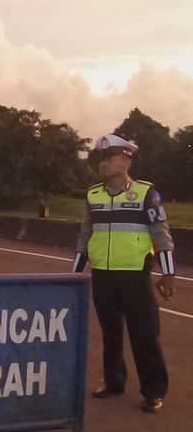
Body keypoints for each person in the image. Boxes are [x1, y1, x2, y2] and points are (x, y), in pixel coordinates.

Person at [73, 134, 175, 413]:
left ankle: (154, 390)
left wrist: (168, 274)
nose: (103, 163)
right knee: (111, 332)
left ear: (125, 159)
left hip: (135, 274)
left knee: (144, 333)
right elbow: (85, 235)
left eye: (109, 157)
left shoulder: (145, 194)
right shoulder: (93, 194)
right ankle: (114, 381)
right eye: (100, 158)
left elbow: (161, 234)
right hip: (103, 274)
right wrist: (75, 273)